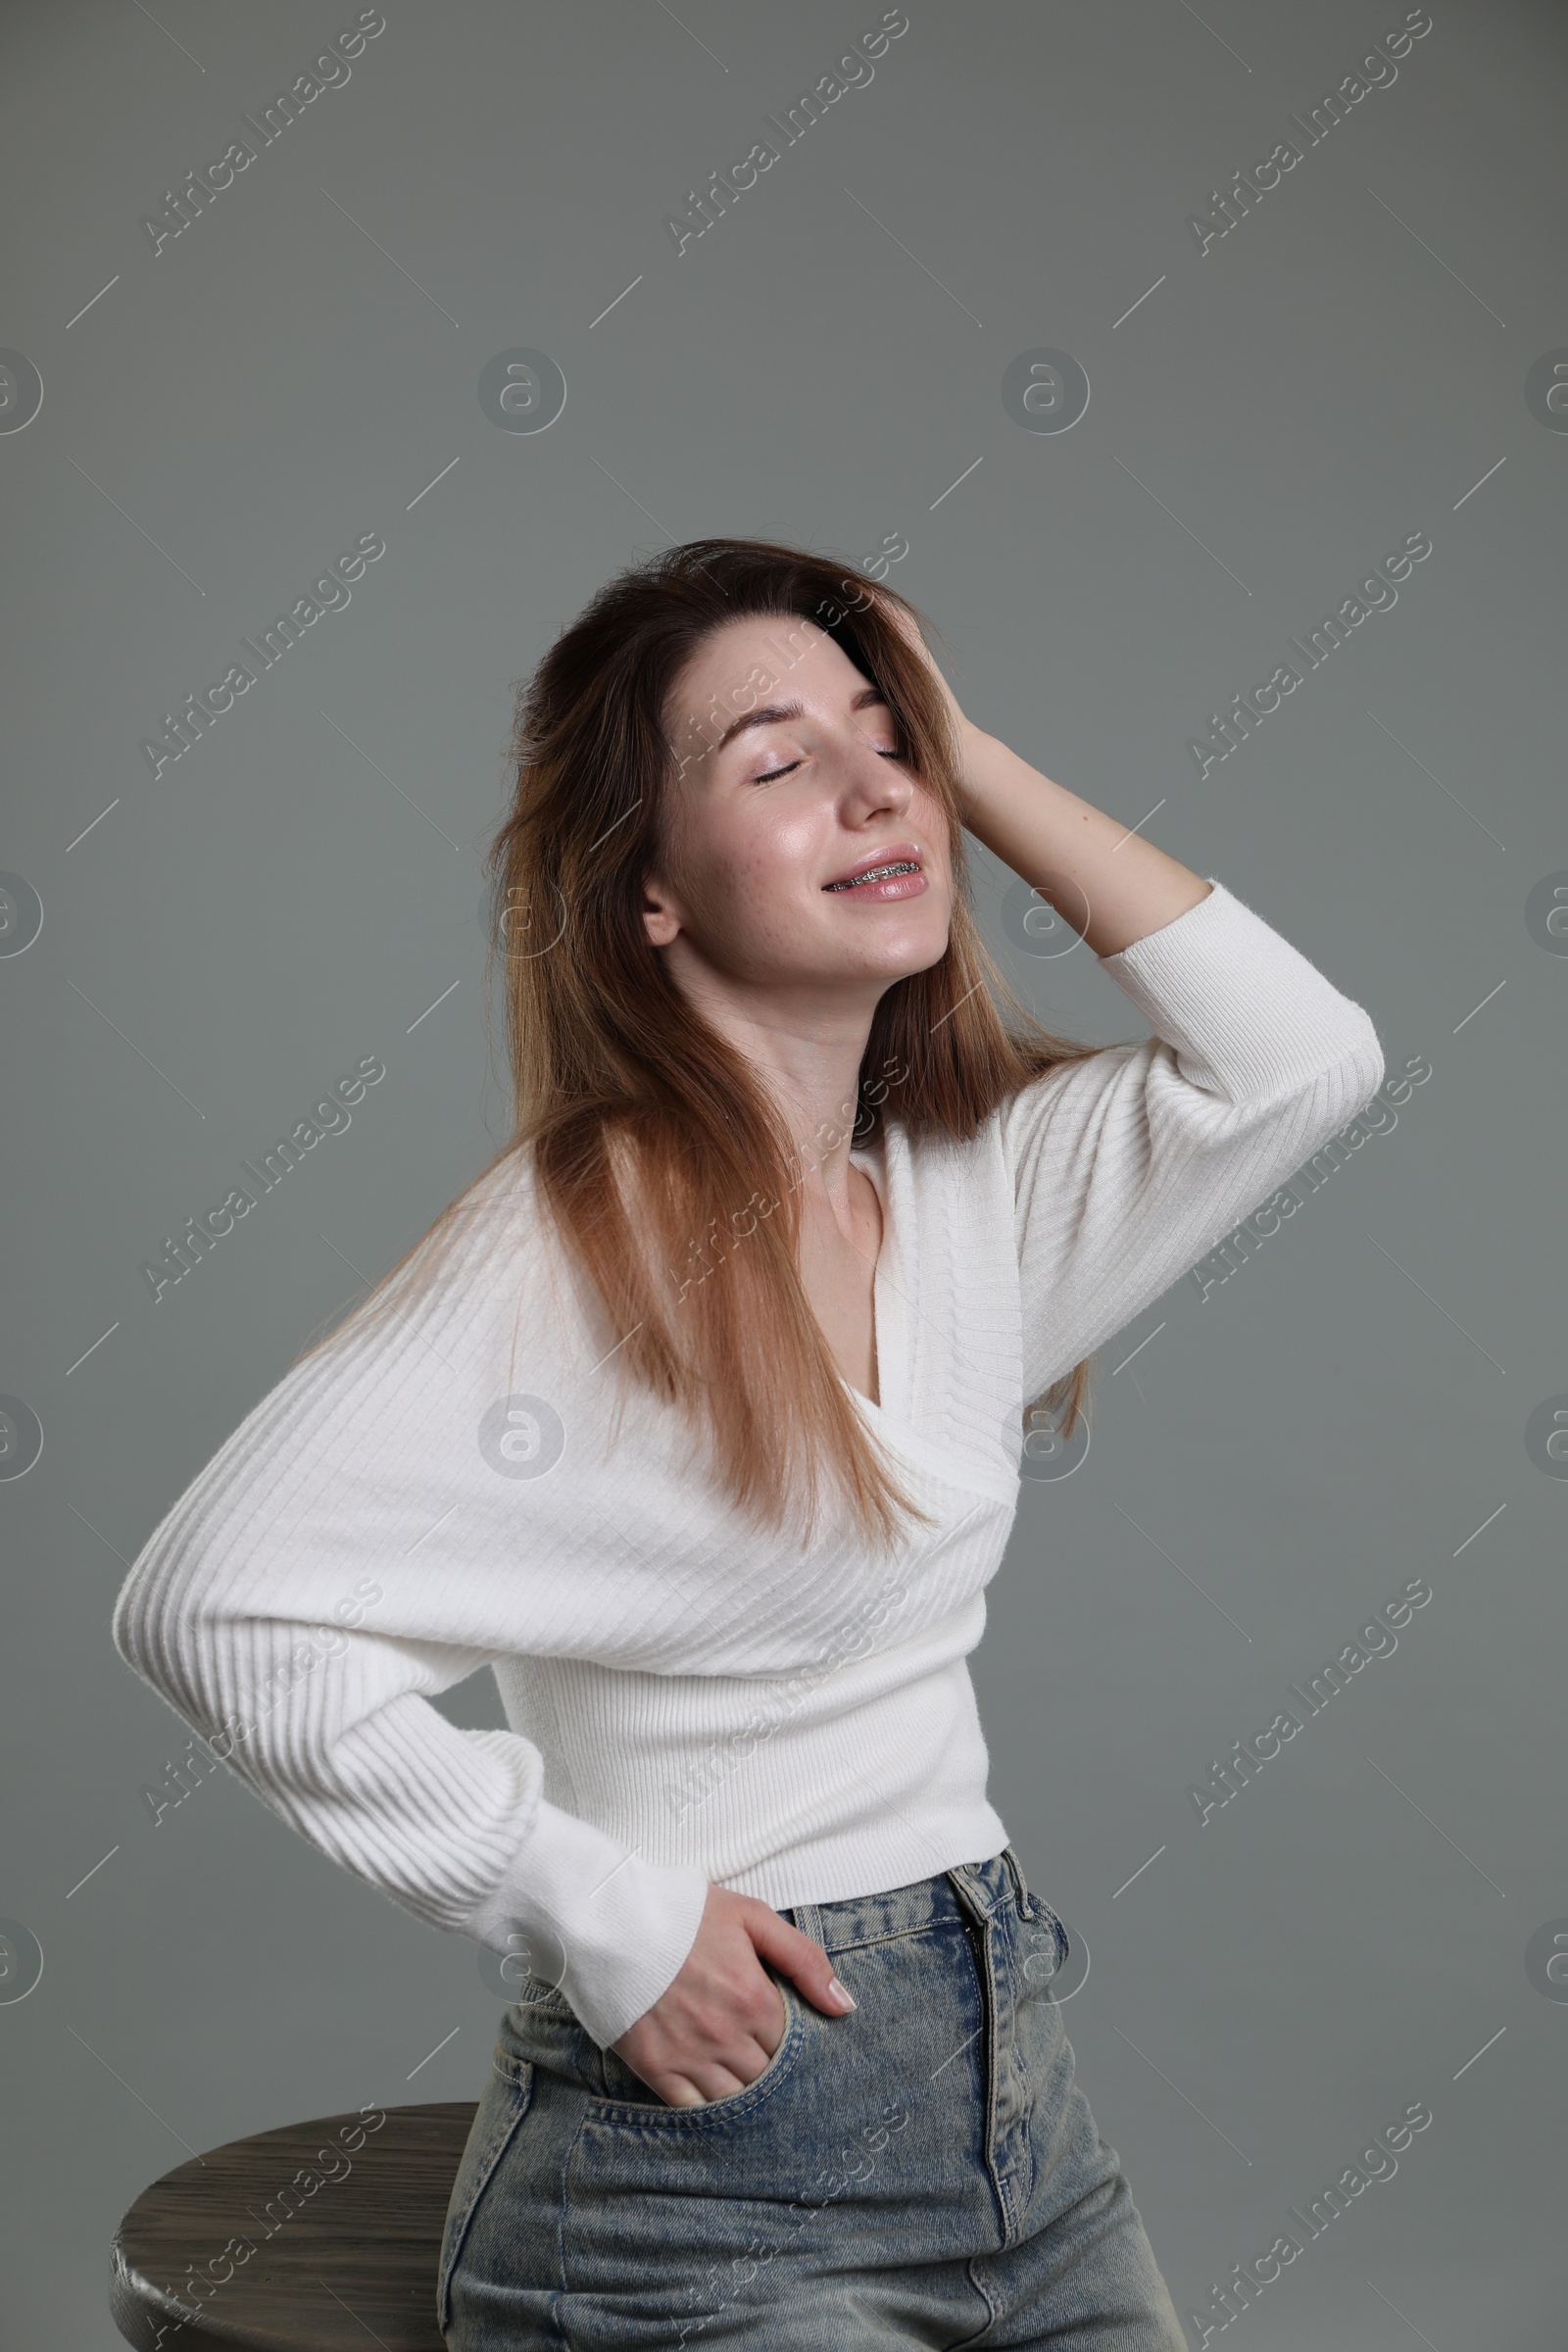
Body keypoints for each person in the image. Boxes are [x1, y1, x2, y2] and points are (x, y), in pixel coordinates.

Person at [112, 537, 1385, 2346]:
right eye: (779, 764)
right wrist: (595, 1913)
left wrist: (972, 746)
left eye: (892, 743)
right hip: (695, 2186)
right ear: (649, 894)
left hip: (1014, 2114)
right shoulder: (585, 1236)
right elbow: (205, 1607)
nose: (876, 788)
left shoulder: (970, 1197)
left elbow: (1302, 1061)